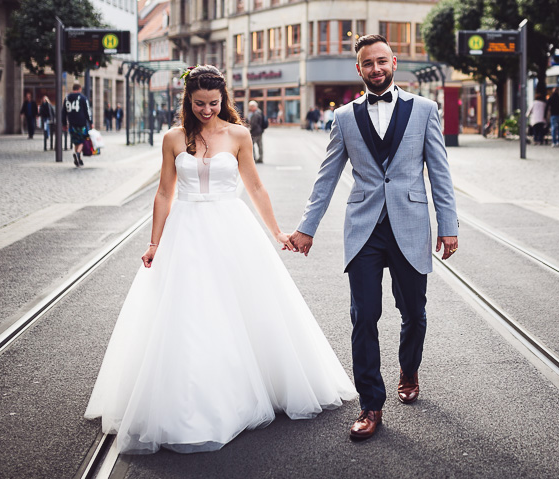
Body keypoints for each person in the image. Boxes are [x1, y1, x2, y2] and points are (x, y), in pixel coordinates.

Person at [85, 65, 356, 454]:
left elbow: (255, 186)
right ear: (188, 100)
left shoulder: (239, 134)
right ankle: (193, 399)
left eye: (213, 103)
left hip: (233, 229)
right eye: (199, 104)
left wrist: (276, 230)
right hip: (186, 231)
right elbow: (164, 193)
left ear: (223, 99)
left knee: (244, 308)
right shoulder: (173, 138)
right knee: (189, 314)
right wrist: (154, 243)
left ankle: (251, 389)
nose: (207, 110)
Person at [288, 34, 459, 441]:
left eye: (382, 61)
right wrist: (306, 228)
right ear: (359, 69)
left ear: (394, 62)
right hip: (364, 228)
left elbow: (440, 172)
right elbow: (326, 176)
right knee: (363, 317)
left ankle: (409, 367)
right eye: (369, 63)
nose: (376, 69)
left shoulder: (424, 110)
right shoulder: (345, 117)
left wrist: (448, 225)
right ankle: (371, 404)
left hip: (411, 224)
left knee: (413, 313)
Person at [62, 83, 92, 167]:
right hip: (81, 123)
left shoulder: (67, 98)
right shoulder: (82, 98)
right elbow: (87, 111)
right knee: (83, 140)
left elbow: (63, 112)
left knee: (76, 141)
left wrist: (64, 123)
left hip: (71, 123)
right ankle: (78, 154)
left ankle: (79, 159)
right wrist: (91, 122)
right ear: (79, 89)